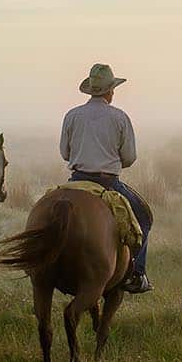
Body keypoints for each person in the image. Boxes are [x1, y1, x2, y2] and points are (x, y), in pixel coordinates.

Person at [60, 64, 154, 294]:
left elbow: (65, 153)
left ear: (90, 90)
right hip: (107, 182)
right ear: (110, 91)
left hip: (76, 181)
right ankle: (136, 274)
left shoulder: (72, 115)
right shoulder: (120, 117)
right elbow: (129, 158)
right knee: (143, 216)